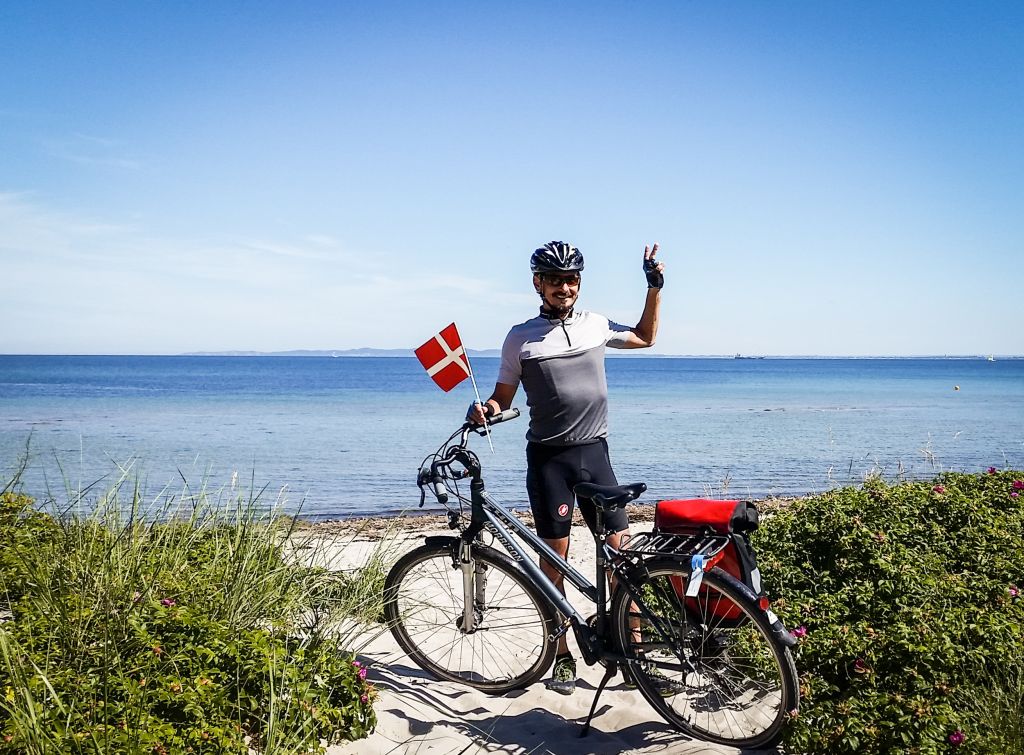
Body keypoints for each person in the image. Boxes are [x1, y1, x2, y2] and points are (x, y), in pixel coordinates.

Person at [468, 240, 664, 694]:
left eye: (571, 278)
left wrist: (654, 288)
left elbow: (647, 336)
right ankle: (560, 653)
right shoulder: (520, 337)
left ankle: (632, 650)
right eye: (555, 279)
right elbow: (503, 397)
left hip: (595, 455)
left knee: (622, 556)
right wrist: (486, 410)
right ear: (538, 283)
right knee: (552, 562)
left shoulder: (595, 325)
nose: (564, 287)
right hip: (549, 460)